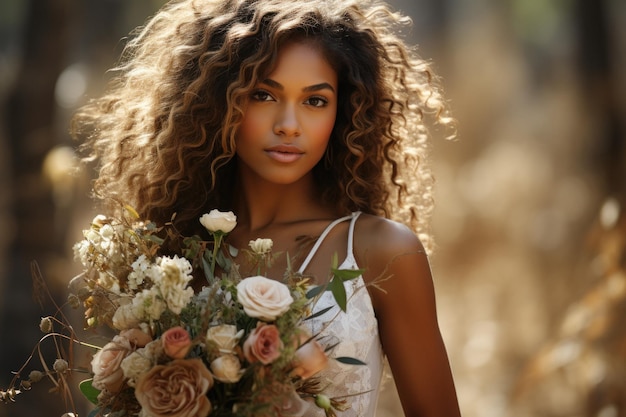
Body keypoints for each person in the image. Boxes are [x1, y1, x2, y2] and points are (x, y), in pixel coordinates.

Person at [71, 0, 461, 415]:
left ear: (342, 112)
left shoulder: (380, 250)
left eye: (315, 101)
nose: (288, 124)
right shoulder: (172, 253)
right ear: (218, 101)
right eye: (263, 95)